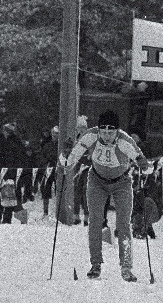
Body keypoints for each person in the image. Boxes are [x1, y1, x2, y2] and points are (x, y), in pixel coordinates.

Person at [63, 110, 150, 282]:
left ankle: (126, 267)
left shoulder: (125, 141)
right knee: (95, 221)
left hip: (122, 182)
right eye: (103, 132)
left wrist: (144, 165)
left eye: (111, 132)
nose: (107, 136)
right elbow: (71, 158)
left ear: (117, 131)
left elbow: (144, 162)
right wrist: (65, 158)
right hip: (97, 180)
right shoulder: (90, 136)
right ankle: (95, 264)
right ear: (98, 130)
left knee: (123, 224)